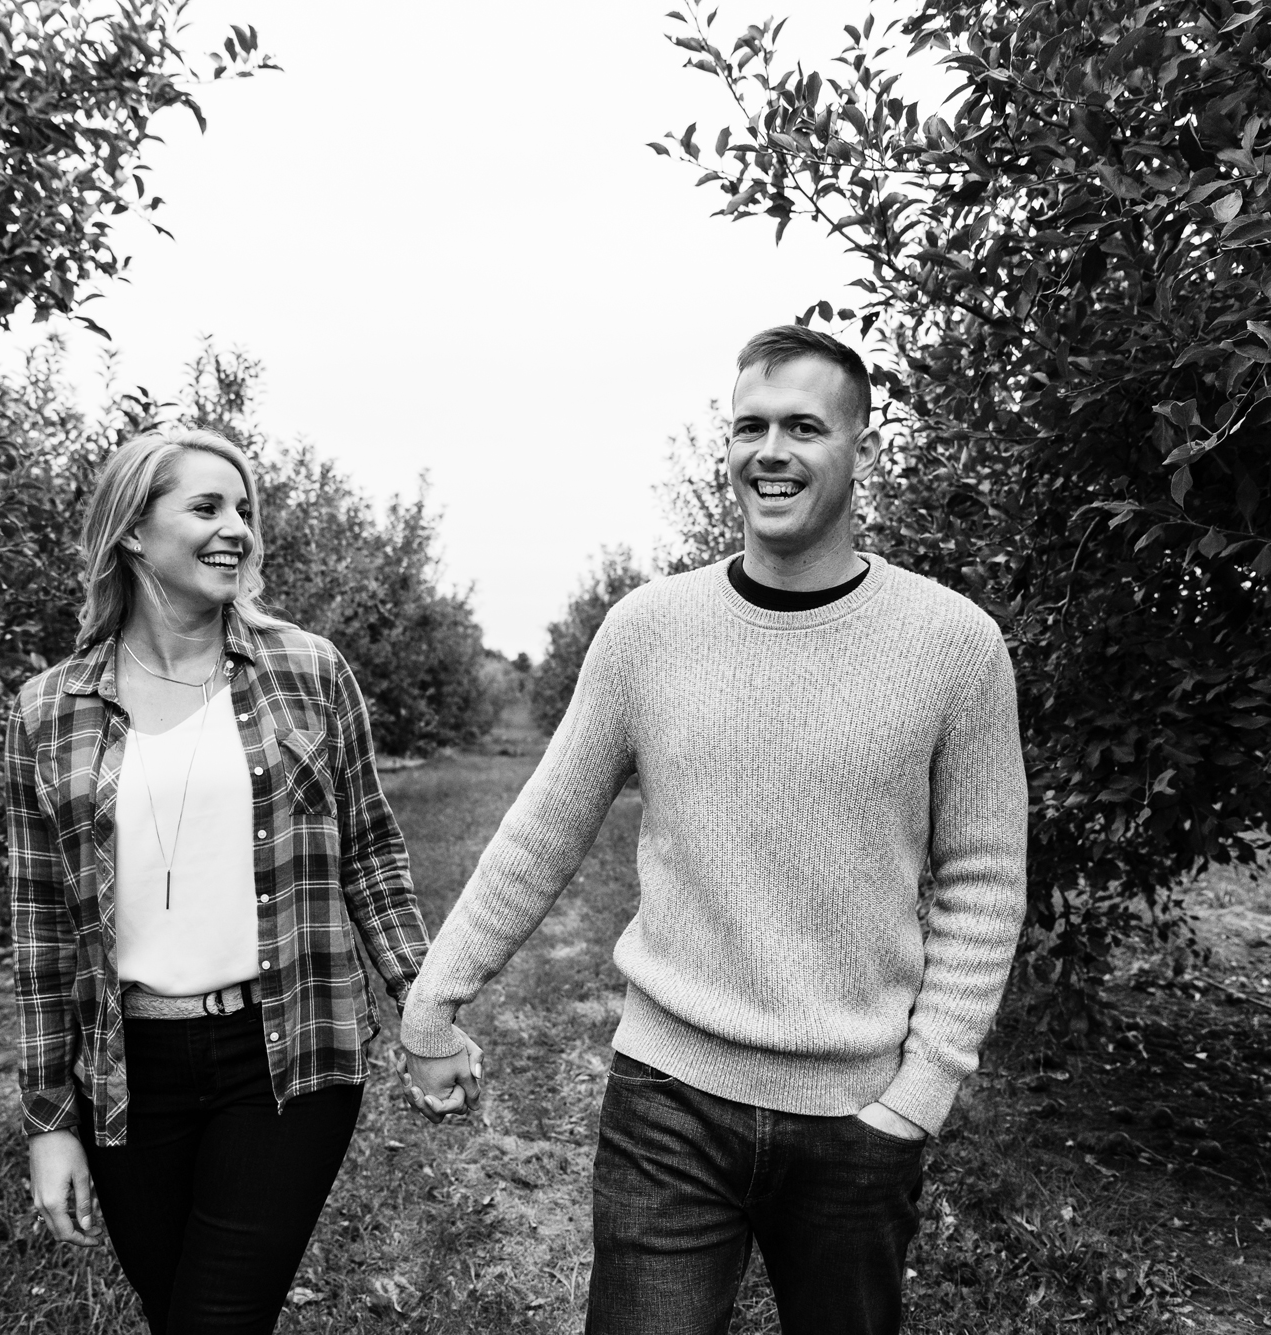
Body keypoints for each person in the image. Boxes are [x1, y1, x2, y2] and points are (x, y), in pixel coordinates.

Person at [399, 327, 1027, 1335]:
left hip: (858, 1114)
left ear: (860, 450)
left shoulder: (952, 644)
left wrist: (922, 1088)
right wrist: (436, 997)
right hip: (668, 1103)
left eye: (803, 427)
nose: (768, 449)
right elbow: (541, 831)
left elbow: (983, 879)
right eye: (748, 426)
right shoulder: (647, 630)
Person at [4, 428, 480, 1333]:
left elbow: (372, 853)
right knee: (180, 1309)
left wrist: (428, 1007)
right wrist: (49, 1121)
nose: (239, 531)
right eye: (208, 507)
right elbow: (39, 936)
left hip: (287, 1051)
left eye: (247, 511)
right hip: (127, 1070)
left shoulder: (308, 672)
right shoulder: (46, 710)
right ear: (133, 532)